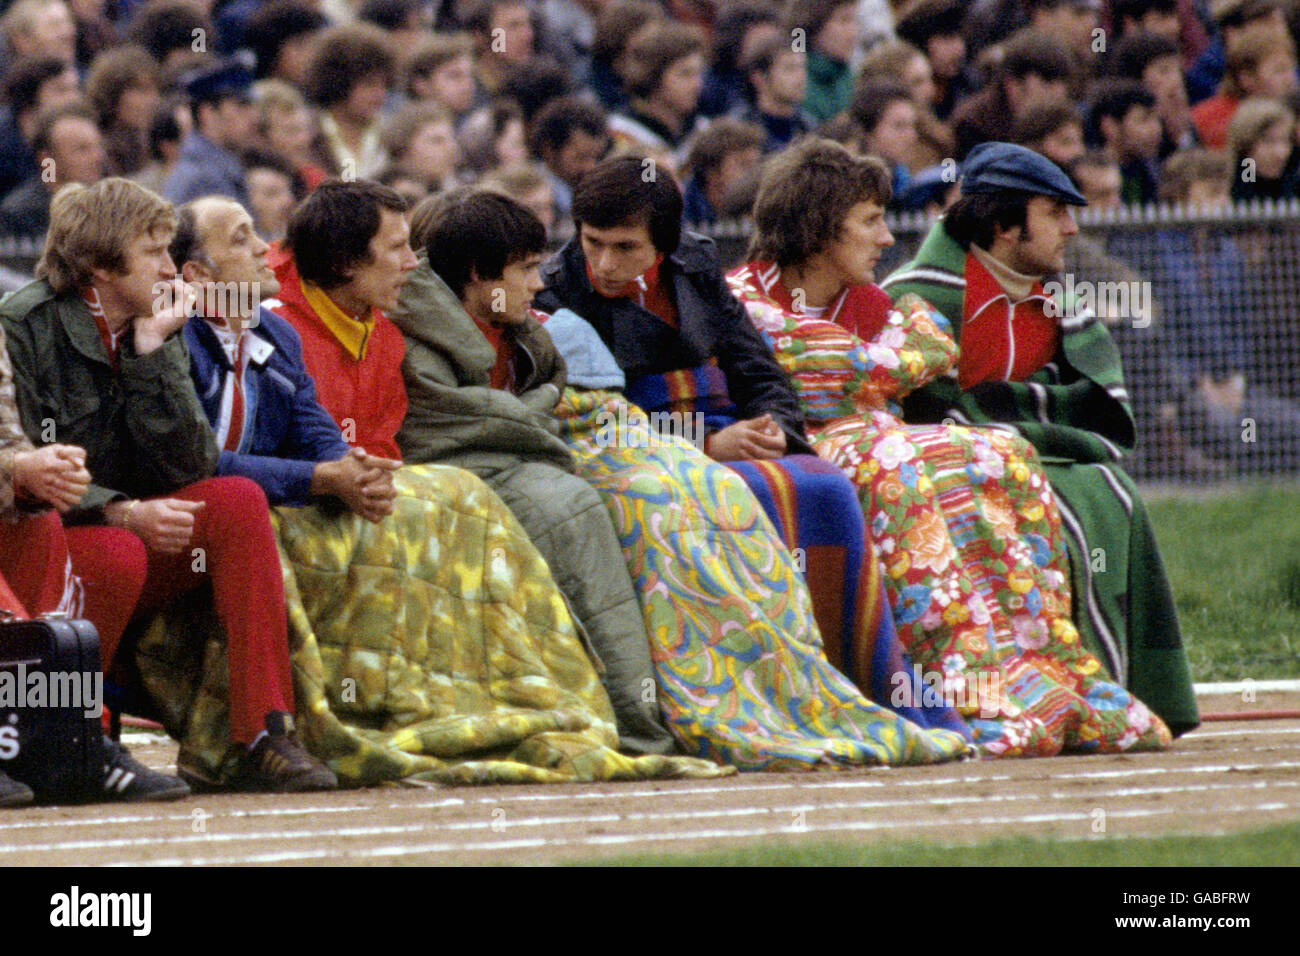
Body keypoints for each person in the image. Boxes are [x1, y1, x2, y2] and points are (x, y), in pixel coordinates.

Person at [391, 188, 969, 767]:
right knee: (651, 504)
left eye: (626, 247)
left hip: (634, 436)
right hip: (544, 460)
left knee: (719, 487)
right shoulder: (471, 324)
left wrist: (757, 432)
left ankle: (780, 689)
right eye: (525, 269)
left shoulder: (686, 278)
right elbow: (466, 419)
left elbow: (750, 371)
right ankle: (662, 706)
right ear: (477, 274)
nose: (543, 281)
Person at [728, 136, 1172, 755]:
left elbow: (925, 349)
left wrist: (879, 363)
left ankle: (1044, 673)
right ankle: (963, 689)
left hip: (878, 438)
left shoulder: (871, 302)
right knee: (895, 461)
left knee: (1001, 452)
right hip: (798, 449)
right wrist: (888, 360)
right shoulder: (740, 300)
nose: (888, 239)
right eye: (870, 221)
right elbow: (867, 360)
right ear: (820, 229)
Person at [534, 155, 963, 737]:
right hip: (641, 450)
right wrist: (706, 444)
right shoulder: (558, 293)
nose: (604, 264)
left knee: (826, 486)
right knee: (720, 496)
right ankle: (735, 691)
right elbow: (588, 416)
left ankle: (848, 680)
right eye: (593, 243)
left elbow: (756, 368)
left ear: (663, 243)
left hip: (731, 434)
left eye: (624, 248)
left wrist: (773, 432)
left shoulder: (696, 266)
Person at [0, 177, 338, 793]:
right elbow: (29, 472)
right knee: (117, 548)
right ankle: (74, 732)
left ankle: (262, 733)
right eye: (153, 252)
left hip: (122, 524)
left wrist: (151, 352)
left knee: (236, 500)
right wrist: (121, 512)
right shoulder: (28, 324)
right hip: (56, 533)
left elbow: (193, 466)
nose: (168, 265)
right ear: (101, 265)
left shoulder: (160, 319)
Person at [882, 142, 1199, 735]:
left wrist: (1014, 423)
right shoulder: (920, 298)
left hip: (1029, 458)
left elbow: (1087, 405)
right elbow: (921, 420)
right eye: (1055, 212)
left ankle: (1140, 691)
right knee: (1071, 506)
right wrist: (1001, 434)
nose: (1073, 228)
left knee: (1113, 488)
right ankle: (1058, 690)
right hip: (950, 485)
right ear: (1004, 225)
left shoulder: (1058, 302)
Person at [162, 55, 258, 206]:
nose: (254, 117)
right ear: (207, 112)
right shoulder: (200, 180)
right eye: (241, 106)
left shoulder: (217, 168)